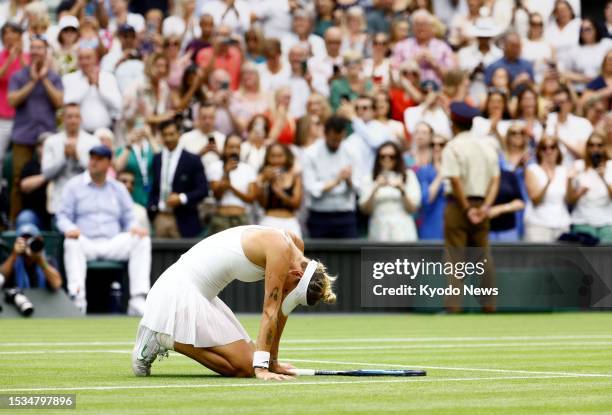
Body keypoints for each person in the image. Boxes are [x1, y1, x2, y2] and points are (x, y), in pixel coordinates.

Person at [131, 225, 337, 379]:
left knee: (248, 365)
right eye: (289, 291)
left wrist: (272, 363)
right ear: (299, 274)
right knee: (250, 366)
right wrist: (262, 368)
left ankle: (166, 334)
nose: (285, 293)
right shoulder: (281, 248)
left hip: (202, 296)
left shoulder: (295, 245)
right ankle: (161, 337)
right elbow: (270, 311)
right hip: (177, 291)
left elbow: (280, 311)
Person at [56, 145, 151, 315]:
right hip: (85, 242)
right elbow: (62, 216)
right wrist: (70, 228)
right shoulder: (73, 186)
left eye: (99, 159)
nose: (94, 162)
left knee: (142, 240)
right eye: (92, 158)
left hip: (112, 244)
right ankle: (78, 299)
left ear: (109, 163)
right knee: (71, 242)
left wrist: (135, 228)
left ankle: (137, 299)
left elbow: (129, 218)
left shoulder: (118, 188)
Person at [440, 102, 499, 312]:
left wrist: (466, 209)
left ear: (453, 123)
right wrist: (485, 207)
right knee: (483, 256)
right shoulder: (487, 145)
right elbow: (495, 179)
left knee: (455, 258)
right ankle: (489, 305)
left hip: (459, 205)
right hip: (481, 204)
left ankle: (453, 307)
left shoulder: (452, 147)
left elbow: (455, 181)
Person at [7, 35, 63, 222]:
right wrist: (32, 82)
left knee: (52, 178)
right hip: (23, 135)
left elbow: (59, 102)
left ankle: (51, 220)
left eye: (40, 48)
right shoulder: (19, 76)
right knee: (18, 182)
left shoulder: (54, 77)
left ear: (46, 51)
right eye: (33, 47)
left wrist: (44, 80)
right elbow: (12, 100)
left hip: (48, 136)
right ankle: (15, 224)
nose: (36, 51)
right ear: (28, 51)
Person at [148, 119, 208, 238]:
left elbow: (203, 190)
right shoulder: (157, 159)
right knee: (159, 255)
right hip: (160, 216)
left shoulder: (192, 160)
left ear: (179, 134)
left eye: (172, 134)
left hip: (184, 219)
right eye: (165, 135)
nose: (168, 138)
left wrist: (181, 198)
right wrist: (152, 209)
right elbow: (154, 188)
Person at [302, 115, 360, 238]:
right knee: (318, 257)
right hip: (319, 215)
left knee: (349, 256)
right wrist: (336, 181)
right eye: (333, 140)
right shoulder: (311, 153)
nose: (335, 144)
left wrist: (348, 179)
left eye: (339, 140)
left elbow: (359, 187)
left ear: (343, 135)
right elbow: (311, 187)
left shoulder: (352, 152)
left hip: (345, 214)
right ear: (326, 133)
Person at [41, 103, 100, 215]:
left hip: (87, 202)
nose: (73, 121)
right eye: (69, 116)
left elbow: (97, 173)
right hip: (60, 202)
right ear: (63, 118)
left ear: (81, 119)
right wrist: (64, 157)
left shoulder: (93, 141)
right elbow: (46, 174)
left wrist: (77, 157)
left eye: (76, 116)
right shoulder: (51, 141)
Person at [359, 141, 421, 242]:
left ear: (397, 158)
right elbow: (365, 210)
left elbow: (413, 208)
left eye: (391, 156)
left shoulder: (408, 176)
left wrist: (402, 190)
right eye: (383, 156)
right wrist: (375, 188)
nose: (387, 160)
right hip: (379, 227)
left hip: (403, 228)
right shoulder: (370, 178)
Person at [207, 134, 257, 234]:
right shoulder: (215, 167)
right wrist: (226, 173)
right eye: (231, 147)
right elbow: (217, 195)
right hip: (221, 219)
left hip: (241, 218)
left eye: (237, 147)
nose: (234, 151)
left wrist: (231, 188)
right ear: (225, 148)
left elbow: (251, 198)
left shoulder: (248, 169)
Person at [567, 134, 612, 242]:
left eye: (599, 145)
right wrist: (570, 182)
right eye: (591, 145)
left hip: (607, 222)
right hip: (583, 221)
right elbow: (570, 200)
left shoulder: (611, 166)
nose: (595, 148)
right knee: (585, 258)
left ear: (604, 147)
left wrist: (604, 179)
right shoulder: (578, 166)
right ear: (587, 147)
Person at [524, 137, 571, 242]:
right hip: (538, 224)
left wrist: (571, 182)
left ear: (558, 150)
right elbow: (535, 200)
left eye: (552, 147)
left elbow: (569, 200)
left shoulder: (564, 170)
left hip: (562, 224)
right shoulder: (532, 169)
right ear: (539, 152)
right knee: (538, 258)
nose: (548, 151)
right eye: (544, 148)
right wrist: (548, 182)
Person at [391, 9, 456, 85]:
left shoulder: (443, 47)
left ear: (431, 26)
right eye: (417, 24)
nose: (421, 28)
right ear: (412, 27)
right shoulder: (401, 46)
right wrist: (413, 61)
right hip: (409, 91)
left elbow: (452, 78)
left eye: (424, 24)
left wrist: (434, 64)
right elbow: (395, 74)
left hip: (438, 91)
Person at [256, 143, 303, 236]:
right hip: (269, 221)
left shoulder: (294, 176)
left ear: (286, 157)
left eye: (280, 156)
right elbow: (262, 204)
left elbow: (297, 204)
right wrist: (263, 182)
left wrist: (280, 193)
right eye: (273, 156)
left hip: (290, 222)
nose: (276, 160)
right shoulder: (262, 176)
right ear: (267, 158)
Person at [0, 222, 62, 290]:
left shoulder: (48, 260)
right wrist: (14, 255)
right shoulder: (10, 259)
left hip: (41, 300)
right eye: (24, 240)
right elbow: (1, 278)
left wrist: (40, 260)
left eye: (31, 239)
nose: (28, 243)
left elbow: (57, 284)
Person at [0, 22, 28, 172]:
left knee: (20, 159)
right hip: (2, 117)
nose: (9, 36)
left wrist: (20, 57)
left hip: (23, 116)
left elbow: (30, 78)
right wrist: (9, 60)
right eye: (6, 33)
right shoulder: (0, 56)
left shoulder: (29, 56)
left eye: (13, 33)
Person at [416, 134, 446, 240]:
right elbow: (426, 199)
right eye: (433, 145)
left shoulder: (456, 171)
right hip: (432, 226)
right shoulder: (424, 170)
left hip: (452, 226)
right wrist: (440, 176)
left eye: (441, 145)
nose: (437, 148)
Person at [179, 102, 226, 171]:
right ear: (198, 117)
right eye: (204, 117)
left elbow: (229, 163)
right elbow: (180, 163)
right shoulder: (185, 138)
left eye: (211, 117)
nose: (207, 121)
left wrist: (218, 153)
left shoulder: (223, 138)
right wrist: (200, 153)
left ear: (215, 118)